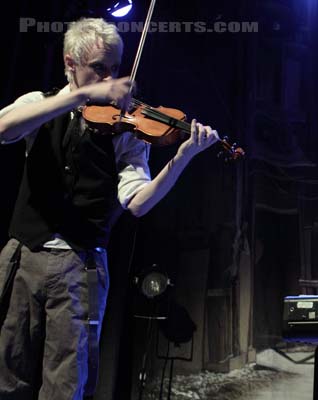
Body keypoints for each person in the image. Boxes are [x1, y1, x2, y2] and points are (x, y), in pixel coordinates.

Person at [0, 18, 219, 399]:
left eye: (114, 69)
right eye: (99, 68)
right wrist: (78, 97)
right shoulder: (40, 104)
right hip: (23, 257)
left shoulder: (124, 128)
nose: (110, 78)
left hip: (79, 264)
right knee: (6, 374)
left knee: (66, 385)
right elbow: (4, 128)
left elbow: (138, 202)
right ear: (71, 64)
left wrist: (182, 158)